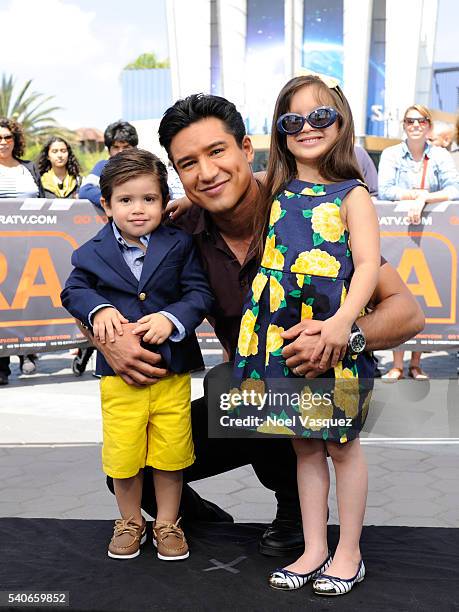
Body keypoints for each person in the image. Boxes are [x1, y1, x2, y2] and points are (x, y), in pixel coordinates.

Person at [83, 94, 424, 558]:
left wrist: (342, 335)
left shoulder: (306, 207)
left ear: (247, 147)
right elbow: (91, 284)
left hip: (312, 392)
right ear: (178, 175)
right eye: (188, 163)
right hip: (245, 392)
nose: (206, 172)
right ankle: (194, 522)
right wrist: (108, 343)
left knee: (283, 396)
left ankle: (297, 516)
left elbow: (408, 312)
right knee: (127, 471)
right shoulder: (176, 235)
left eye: (217, 151)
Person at [230, 74, 378, 595]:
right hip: (279, 334)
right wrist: (180, 205)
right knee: (305, 448)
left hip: (330, 332)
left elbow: (366, 267)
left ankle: (349, 552)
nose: (307, 128)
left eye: (320, 116)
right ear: (281, 131)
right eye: (293, 120)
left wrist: (343, 323)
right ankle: (314, 548)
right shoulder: (274, 186)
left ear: (341, 122)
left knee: (342, 447)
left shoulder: (353, 194)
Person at [61, 149, 214, 561]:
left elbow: (199, 293)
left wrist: (172, 317)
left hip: (171, 374)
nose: (138, 209)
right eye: (126, 200)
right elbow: (73, 291)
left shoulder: (179, 244)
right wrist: (100, 310)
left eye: (149, 199)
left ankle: (167, 522)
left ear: (165, 203)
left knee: (170, 452)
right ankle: (130, 521)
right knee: (124, 455)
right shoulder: (90, 252)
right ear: (107, 205)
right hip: (119, 379)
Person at [378, 104, 459, 381]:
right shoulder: (391, 154)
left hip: (432, 234)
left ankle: (416, 363)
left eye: (421, 120)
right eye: (410, 120)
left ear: (428, 125)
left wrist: (424, 198)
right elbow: (386, 190)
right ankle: (397, 364)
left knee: (426, 294)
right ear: (404, 125)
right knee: (398, 293)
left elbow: (454, 189)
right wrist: (415, 196)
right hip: (398, 235)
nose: (415, 125)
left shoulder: (439, 155)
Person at [0, 117, 43, 384]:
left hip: (31, 248)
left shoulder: (29, 168)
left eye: (7, 137)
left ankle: (28, 354)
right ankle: (1, 365)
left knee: (27, 299)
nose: (3, 142)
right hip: (1, 249)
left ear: (15, 140)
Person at [79, 120, 139, 208]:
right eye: (116, 147)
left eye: (126, 147)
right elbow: (85, 190)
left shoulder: (145, 166)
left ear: (135, 148)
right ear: (109, 150)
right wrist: (113, 200)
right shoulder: (102, 166)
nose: (120, 152)